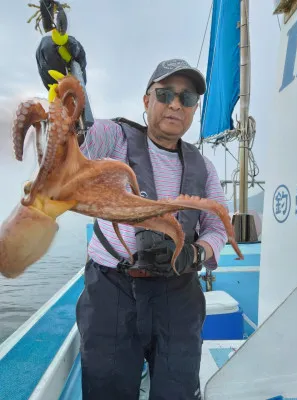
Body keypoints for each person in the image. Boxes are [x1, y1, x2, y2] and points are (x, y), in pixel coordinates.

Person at [36, 35, 228, 400]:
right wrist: (65, 87)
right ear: (146, 99)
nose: (175, 104)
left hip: (178, 293)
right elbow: (78, 142)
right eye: (164, 93)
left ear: (194, 108)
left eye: (187, 98)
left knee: (178, 390)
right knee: (108, 389)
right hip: (113, 290)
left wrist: (196, 253)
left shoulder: (204, 167)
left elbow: (217, 225)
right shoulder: (115, 138)